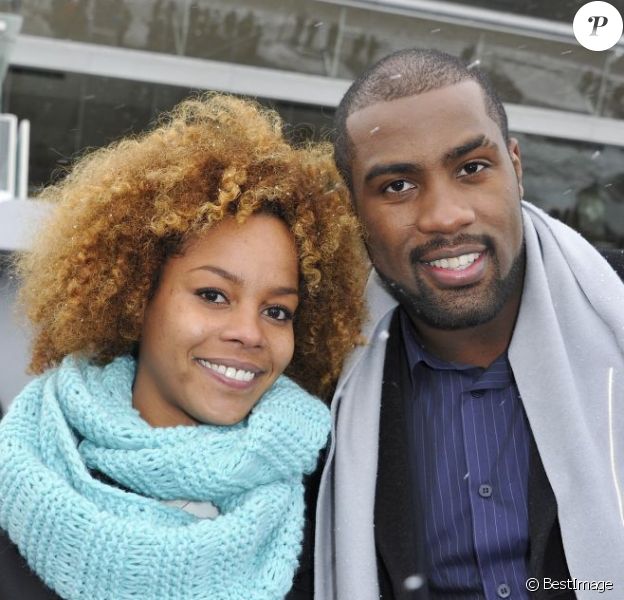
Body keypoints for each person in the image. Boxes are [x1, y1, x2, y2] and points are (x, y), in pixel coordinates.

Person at [0, 94, 366, 600]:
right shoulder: (25, 472)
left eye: (277, 310)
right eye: (213, 295)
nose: (250, 332)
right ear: (137, 296)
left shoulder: (327, 500)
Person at [313, 49, 624, 600]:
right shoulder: (313, 377)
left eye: (471, 169)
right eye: (398, 186)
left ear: (516, 167)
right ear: (353, 212)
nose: (445, 215)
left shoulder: (614, 310)